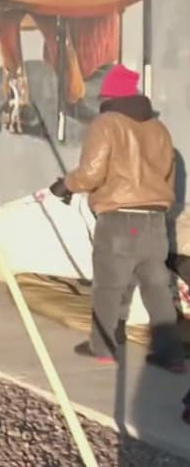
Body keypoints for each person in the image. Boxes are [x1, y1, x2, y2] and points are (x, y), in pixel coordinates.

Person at [47, 66, 185, 371]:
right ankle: (170, 354)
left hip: (119, 220)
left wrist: (64, 185)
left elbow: (91, 173)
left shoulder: (106, 123)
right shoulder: (160, 130)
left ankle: (103, 346)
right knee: (156, 287)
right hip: (155, 220)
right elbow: (169, 179)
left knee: (109, 286)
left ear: (110, 95)